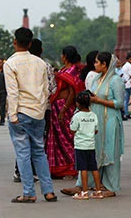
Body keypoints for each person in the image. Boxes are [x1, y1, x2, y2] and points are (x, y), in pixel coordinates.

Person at [4, 27, 56, 203]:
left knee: (23, 154)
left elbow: (12, 92)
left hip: (20, 112)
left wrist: (13, 116)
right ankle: (48, 191)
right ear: (31, 43)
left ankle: (28, 192)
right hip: (37, 112)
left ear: (14, 42)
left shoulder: (10, 64)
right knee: (39, 152)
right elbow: (45, 90)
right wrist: (40, 110)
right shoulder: (40, 63)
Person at [62, 52, 124, 198]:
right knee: (91, 150)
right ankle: (83, 184)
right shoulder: (96, 78)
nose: (94, 65)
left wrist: (99, 101)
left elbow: (119, 103)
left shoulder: (116, 80)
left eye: (97, 62)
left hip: (110, 121)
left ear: (105, 64)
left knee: (110, 152)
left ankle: (111, 187)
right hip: (95, 121)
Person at [47, 46, 83, 179]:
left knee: (68, 138)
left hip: (65, 107)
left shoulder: (72, 70)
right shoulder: (64, 70)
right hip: (57, 106)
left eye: (62, 55)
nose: (61, 57)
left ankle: (71, 167)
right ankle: (60, 167)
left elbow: (72, 92)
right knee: (58, 139)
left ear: (66, 56)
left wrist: (64, 110)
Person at [70, 90, 104, 200]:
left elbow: (72, 129)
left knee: (83, 169)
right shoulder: (93, 115)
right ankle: (98, 191)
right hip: (91, 145)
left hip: (80, 146)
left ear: (78, 104)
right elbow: (96, 130)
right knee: (94, 168)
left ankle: (84, 192)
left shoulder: (77, 116)